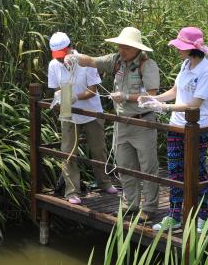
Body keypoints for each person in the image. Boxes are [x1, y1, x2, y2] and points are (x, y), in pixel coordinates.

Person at [64, 27, 161, 220]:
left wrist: (126, 96)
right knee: (124, 164)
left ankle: (149, 208)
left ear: (136, 48)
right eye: (120, 45)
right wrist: (73, 57)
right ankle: (130, 203)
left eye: (126, 47)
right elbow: (91, 61)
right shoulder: (115, 60)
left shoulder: (147, 65)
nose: (121, 49)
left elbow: (152, 96)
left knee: (148, 166)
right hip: (121, 123)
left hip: (143, 123)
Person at [138, 27, 208, 232]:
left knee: (197, 173)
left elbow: (195, 104)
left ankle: (203, 216)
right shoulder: (185, 64)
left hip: (197, 129)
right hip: (176, 126)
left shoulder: (207, 70)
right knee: (175, 172)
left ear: (193, 49)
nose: (178, 50)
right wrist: (154, 98)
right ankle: (174, 216)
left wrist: (163, 107)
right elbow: (175, 91)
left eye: (182, 47)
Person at [47, 32, 118, 205]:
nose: (61, 59)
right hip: (67, 107)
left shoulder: (85, 62)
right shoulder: (54, 65)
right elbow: (56, 88)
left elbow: (92, 90)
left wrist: (76, 97)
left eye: (63, 55)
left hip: (91, 108)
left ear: (71, 48)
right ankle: (72, 190)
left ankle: (104, 182)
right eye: (57, 56)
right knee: (68, 150)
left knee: (98, 148)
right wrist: (61, 97)